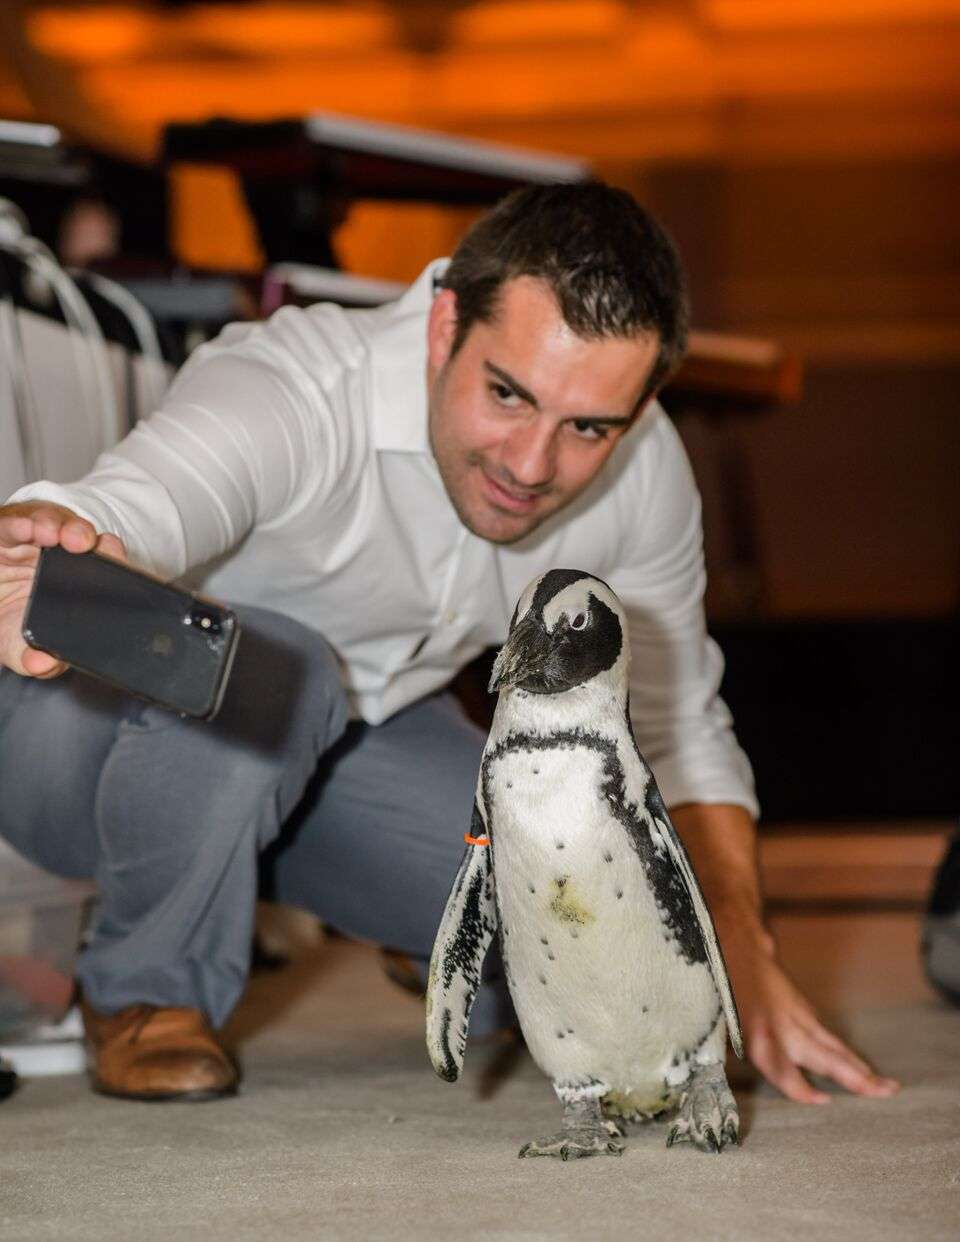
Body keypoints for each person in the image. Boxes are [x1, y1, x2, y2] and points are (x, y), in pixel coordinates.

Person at [0, 183, 898, 1106]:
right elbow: (154, 492)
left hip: (346, 750)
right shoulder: (304, 378)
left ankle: (404, 921)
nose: (532, 465)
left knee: (616, 970)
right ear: (442, 330)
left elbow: (675, 725)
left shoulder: (646, 471)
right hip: (97, 742)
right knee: (286, 668)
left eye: (588, 426)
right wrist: (67, 533)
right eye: (508, 394)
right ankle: (147, 994)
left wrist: (740, 951)